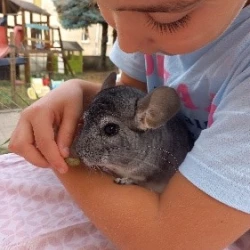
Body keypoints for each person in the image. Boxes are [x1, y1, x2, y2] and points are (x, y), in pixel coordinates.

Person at [8, 0, 250, 249]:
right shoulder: (141, 24)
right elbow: (129, 95)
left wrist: (63, 157)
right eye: (107, 8)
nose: (126, 44)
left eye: (167, 20)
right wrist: (77, 91)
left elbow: (165, 242)